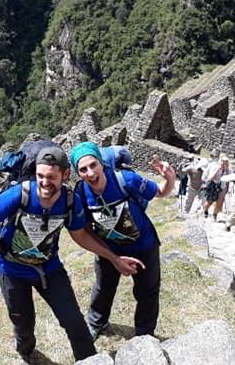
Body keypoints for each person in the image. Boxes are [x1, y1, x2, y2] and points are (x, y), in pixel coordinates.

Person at [0, 146, 142, 365]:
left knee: (74, 321)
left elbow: (81, 235)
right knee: (23, 322)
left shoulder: (70, 202)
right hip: (11, 269)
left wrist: (113, 259)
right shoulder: (20, 194)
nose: (45, 182)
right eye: (40, 176)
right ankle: (27, 353)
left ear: (65, 176)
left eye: (51, 177)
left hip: (49, 269)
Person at [69, 141, 175, 339]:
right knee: (104, 287)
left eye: (93, 165)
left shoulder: (124, 179)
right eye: (83, 169)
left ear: (101, 164)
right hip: (109, 249)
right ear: (78, 173)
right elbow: (85, 230)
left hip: (143, 245)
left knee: (147, 291)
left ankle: (145, 335)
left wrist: (170, 179)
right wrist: (110, 256)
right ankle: (96, 322)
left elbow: (160, 192)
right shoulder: (81, 194)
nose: (90, 173)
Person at [202, 153, 230, 220]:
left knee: (220, 202)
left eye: (226, 162)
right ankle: (205, 211)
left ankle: (215, 215)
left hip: (222, 187)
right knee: (209, 201)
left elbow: (228, 179)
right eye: (223, 162)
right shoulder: (214, 166)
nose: (224, 164)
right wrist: (218, 170)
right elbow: (210, 178)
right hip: (213, 185)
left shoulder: (227, 169)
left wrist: (227, 188)